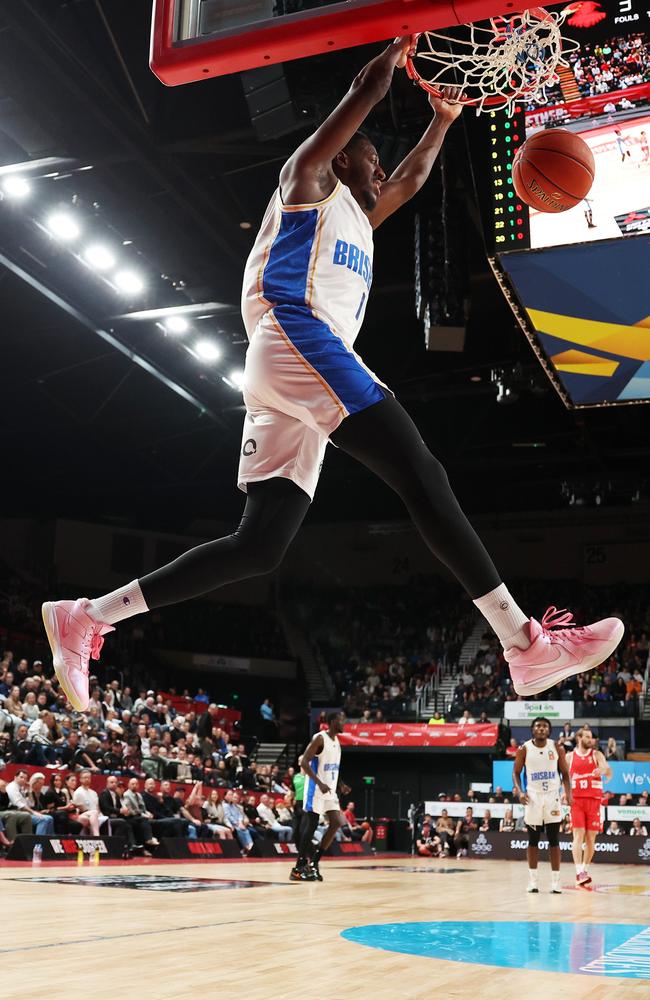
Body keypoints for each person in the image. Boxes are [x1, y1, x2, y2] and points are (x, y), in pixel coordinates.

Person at [40, 39, 623, 716]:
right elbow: (361, 96)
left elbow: (407, 183)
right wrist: (395, 45)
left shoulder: (359, 214)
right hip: (296, 334)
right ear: (344, 157)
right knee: (421, 472)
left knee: (260, 544)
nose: (380, 175)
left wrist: (442, 120)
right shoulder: (307, 181)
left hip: (288, 364)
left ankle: (89, 616)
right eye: (371, 162)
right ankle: (523, 643)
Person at [513, 717, 572, 894]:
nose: (541, 729)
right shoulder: (524, 749)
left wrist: (568, 794)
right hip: (533, 797)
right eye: (538, 726)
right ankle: (533, 881)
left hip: (552, 796)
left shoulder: (556, 747)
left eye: (544, 726)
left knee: (554, 839)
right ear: (532, 729)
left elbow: (565, 774)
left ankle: (556, 882)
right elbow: (516, 773)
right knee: (533, 840)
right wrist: (520, 791)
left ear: (549, 730)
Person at [291, 711, 349, 882]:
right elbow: (304, 762)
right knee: (311, 825)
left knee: (337, 822)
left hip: (329, 790)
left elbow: (331, 768)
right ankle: (298, 867)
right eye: (341, 720)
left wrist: (340, 784)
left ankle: (314, 862)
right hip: (315, 790)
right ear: (332, 722)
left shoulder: (337, 742)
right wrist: (319, 783)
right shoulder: (320, 738)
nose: (343, 723)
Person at [568, 728, 612, 887]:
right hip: (577, 800)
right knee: (578, 835)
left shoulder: (597, 754)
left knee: (591, 838)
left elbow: (607, 771)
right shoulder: (569, 757)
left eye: (591, 737)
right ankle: (579, 872)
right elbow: (564, 778)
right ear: (579, 738)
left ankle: (585, 869)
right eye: (587, 737)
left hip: (594, 800)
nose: (590, 740)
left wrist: (602, 770)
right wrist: (563, 793)